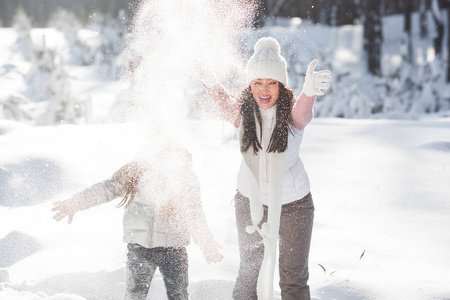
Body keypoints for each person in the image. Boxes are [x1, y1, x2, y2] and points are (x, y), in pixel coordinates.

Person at [201, 37, 331, 300]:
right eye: (257, 82)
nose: (264, 89)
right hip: (250, 201)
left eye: (272, 82)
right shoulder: (243, 113)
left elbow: (303, 114)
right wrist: (210, 81)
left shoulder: (291, 115)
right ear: (250, 86)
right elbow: (224, 102)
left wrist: (308, 93)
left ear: (281, 87)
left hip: (294, 205)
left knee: (293, 278)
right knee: (250, 272)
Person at [52, 142, 223, 300]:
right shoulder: (137, 169)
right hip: (139, 248)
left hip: (174, 249)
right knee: (134, 296)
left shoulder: (183, 175)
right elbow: (106, 190)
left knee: (178, 296)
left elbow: (193, 212)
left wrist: (206, 242)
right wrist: (76, 203)